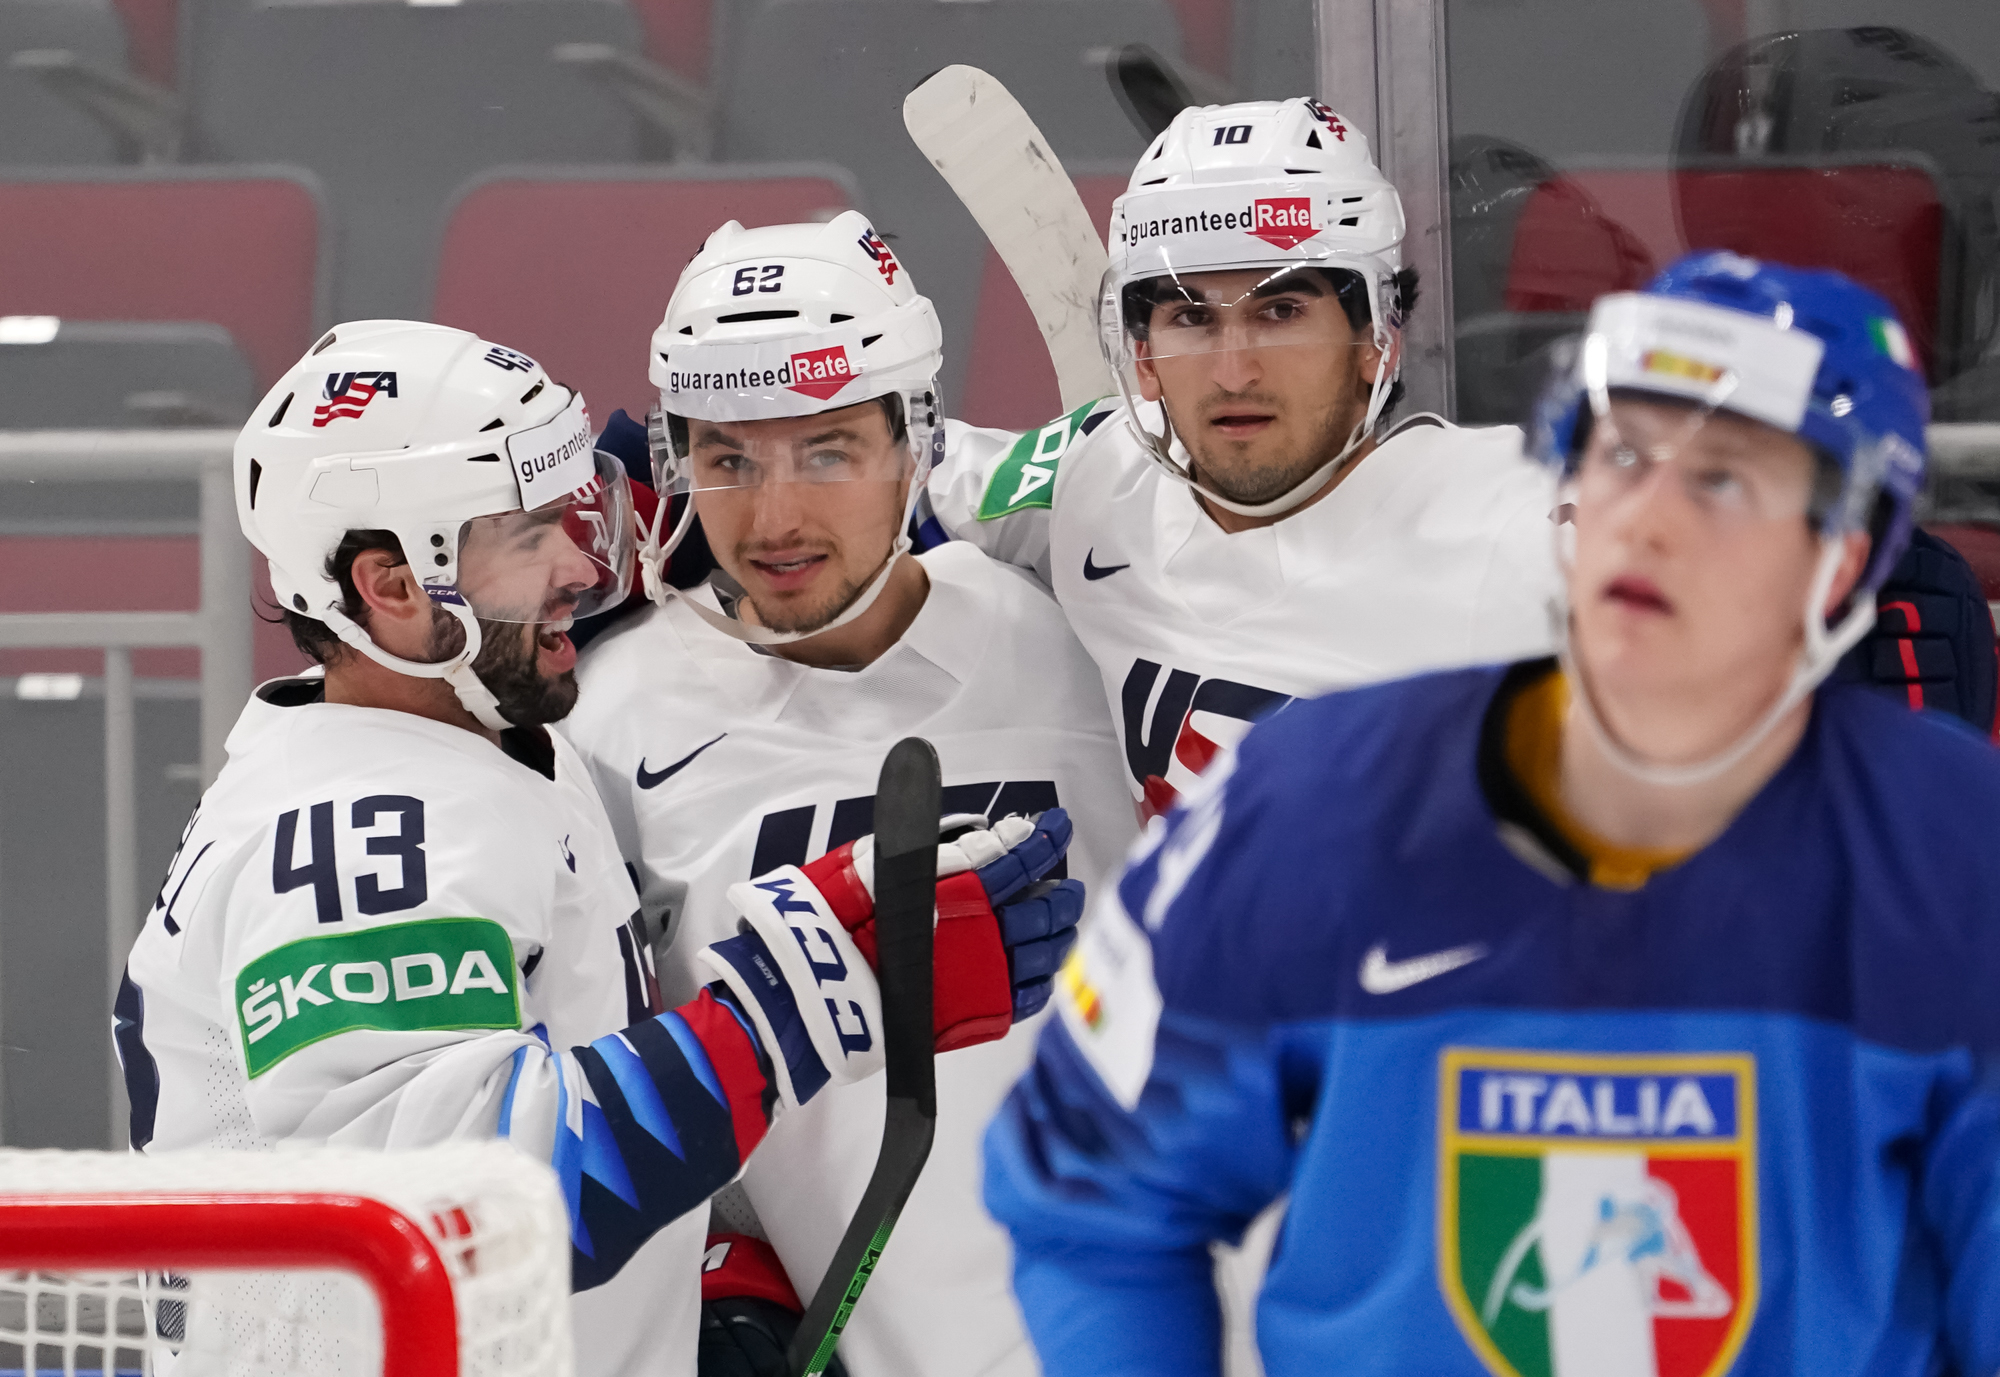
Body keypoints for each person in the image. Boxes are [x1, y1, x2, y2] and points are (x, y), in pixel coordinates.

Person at [985, 254, 2000, 1376]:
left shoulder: (1960, 856)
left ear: (1843, 555)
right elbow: (1089, 1195)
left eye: (1722, 481)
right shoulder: (1305, 800)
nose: (1648, 522)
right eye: (1623, 456)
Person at [115, 320, 1082, 1377]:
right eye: (526, 534)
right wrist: (796, 1000)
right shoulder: (364, 830)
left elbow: (560, 1076)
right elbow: (443, 1220)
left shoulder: (474, 739)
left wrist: (706, 1281)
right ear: (393, 587)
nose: (579, 564)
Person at [561, 212, 1136, 1377]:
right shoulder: (607, 723)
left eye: (826, 452)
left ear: (915, 442)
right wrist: (719, 1280)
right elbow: (599, 1084)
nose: (773, 519)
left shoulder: (1083, 631)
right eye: (728, 458)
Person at [923, 96, 1562, 820]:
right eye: (1192, 318)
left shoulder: (1518, 527)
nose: (1234, 373)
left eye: (1280, 312)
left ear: (1379, 339)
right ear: (1144, 360)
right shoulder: (1099, 476)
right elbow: (896, 488)